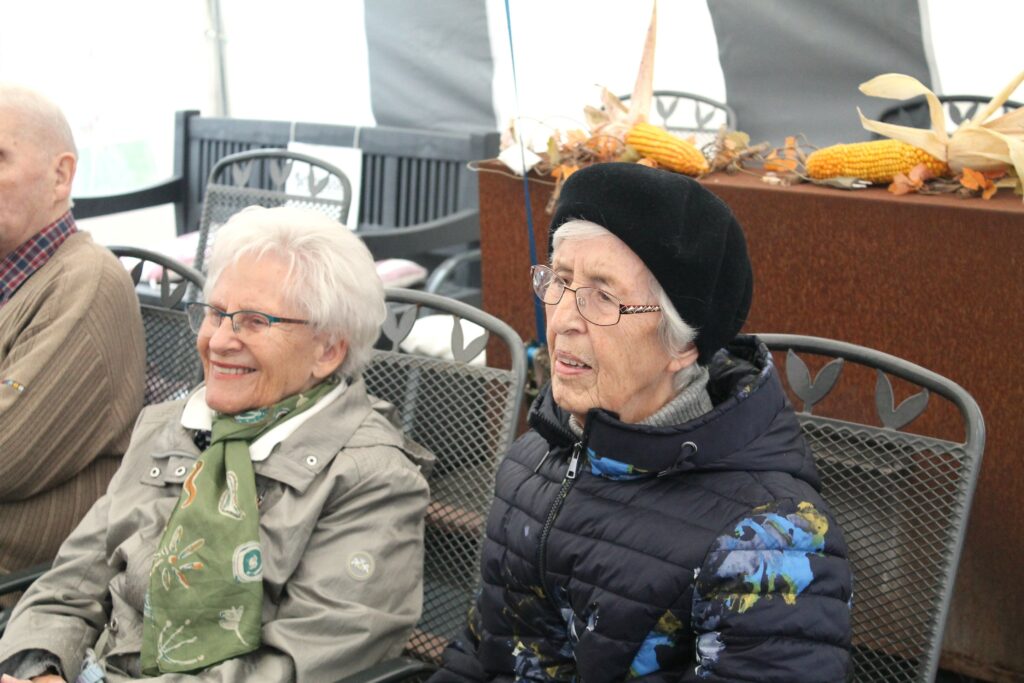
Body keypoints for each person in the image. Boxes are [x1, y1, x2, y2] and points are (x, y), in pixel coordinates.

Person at [431, 162, 853, 683]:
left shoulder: (766, 541)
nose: (563, 320)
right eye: (560, 281)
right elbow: (480, 654)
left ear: (683, 345)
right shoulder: (536, 458)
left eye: (603, 296)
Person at [0, 206, 435, 682]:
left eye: (254, 321)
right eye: (216, 314)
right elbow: (67, 587)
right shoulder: (169, 427)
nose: (219, 341)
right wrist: (41, 667)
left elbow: (290, 667)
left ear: (328, 350)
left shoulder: (372, 479)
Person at [0, 84, 146, 581]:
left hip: (27, 587)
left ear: (60, 176)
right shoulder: (15, 273)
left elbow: (6, 453)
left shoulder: (86, 285)